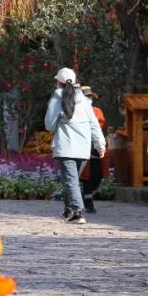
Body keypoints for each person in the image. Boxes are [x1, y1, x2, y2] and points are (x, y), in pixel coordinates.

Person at [45, 68, 105, 225]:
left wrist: (60, 124)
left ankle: (77, 212)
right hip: (83, 148)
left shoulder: (57, 98)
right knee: (71, 179)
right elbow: (94, 124)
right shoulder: (85, 101)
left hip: (66, 147)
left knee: (70, 180)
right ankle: (68, 211)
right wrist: (100, 144)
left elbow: (49, 125)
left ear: (59, 82)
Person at [79, 86, 107, 214]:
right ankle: (88, 204)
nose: (89, 98)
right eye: (87, 96)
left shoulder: (96, 111)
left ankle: (83, 197)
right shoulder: (76, 111)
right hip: (81, 147)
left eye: (90, 96)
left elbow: (99, 126)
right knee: (86, 179)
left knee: (97, 177)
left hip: (94, 147)